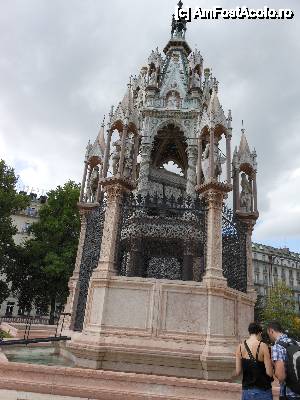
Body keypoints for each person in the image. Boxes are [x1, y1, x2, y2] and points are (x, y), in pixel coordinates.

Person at [236, 322, 273, 400]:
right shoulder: (263, 346)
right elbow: (269, 373)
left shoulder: (240, 347)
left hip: (247, 390)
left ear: (249, 332)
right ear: (260, 333)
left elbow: (238, 371)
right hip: (263, 390)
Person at [267, 321, 300, 400]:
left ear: (271, 331)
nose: (269, 336)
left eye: (268, 333)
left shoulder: (278, 346)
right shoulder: (295, 342)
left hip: (290, 394)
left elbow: (281, 376)